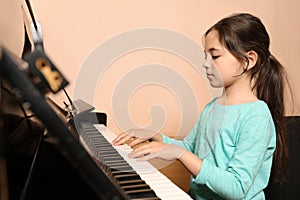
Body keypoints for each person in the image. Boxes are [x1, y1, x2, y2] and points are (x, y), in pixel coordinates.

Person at [112, 13, 292, 200]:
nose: (205, 64)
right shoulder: (213, 107)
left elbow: (237, 188)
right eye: (205, 56)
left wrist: (181, 153)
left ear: (249, 60)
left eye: (214, 56)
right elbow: (190, 149)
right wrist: (154, 136)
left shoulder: (256, 117)